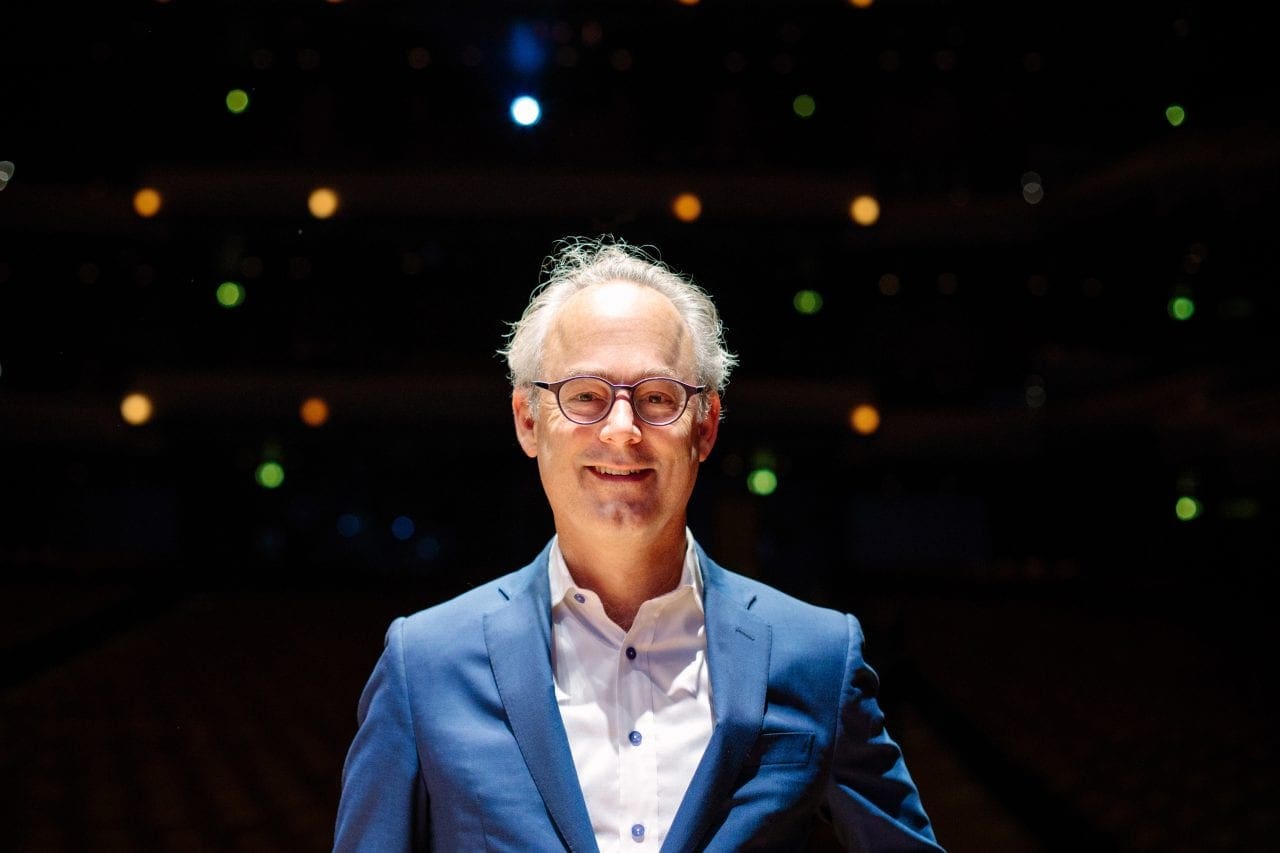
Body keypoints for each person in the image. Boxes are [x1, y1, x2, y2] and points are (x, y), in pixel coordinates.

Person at [333, 235, 943, 852]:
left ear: (705, 426)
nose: (622, 430)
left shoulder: (818, 658)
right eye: (585, 396)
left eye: (656, 398)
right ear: (527, 420)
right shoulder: (424, 665)